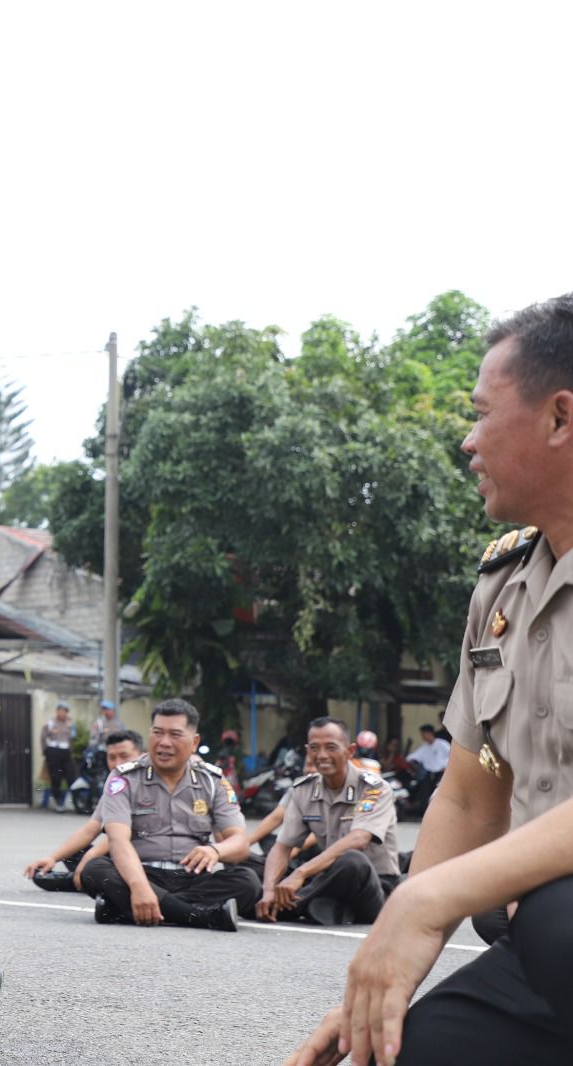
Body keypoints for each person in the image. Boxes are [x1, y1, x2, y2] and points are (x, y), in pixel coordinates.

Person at [287, 296, 573, 1066]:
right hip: (544, 950)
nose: (467, 440)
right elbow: (476, 787)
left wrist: (424, 897)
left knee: (556, 916)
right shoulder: (503, 587)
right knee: (411, 1049)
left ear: (560, 417)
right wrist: (385, 984)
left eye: (482, 414)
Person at [80, 699, 260, 932]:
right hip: (141, 872)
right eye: (157, 733)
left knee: (248, 882)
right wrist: (139, 887)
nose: (164, 742)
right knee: (95, 871)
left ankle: (125, 909)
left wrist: (215, 850)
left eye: (175, 734)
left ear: (194, 742)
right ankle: (202, 916)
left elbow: (240, 842)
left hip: (193, 877)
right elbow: (118, 841)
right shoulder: (123, 778)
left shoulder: (213, 781)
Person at [253, 718, 400, 926]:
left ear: (349, 751)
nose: (321, 755)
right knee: (248, 866)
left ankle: (286, 908)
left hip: (374, 884)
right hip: (328, 879)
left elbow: (359, 839)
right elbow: (283, 847)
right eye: (314, 748)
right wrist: (268, 889)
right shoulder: (303, 790)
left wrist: (300, 873)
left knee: (352, 860)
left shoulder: (375, 789)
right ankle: (307, 905)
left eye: (331, 747)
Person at [24, 730, 143, 891]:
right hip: (118, 853)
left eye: (124, 756)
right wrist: (52, 858)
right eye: (112, 757)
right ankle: (88, 879)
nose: (117, 764)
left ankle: (85, 880)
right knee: (73, 853)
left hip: (144, 855)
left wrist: (90, 857)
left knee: (94, 865)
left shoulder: (146, 782)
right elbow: (89, 830)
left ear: (141, 755)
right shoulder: (115, 785)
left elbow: (122, 837)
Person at [39, 702, 77, 811]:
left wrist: (71, 728)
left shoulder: (70, 723)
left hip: (65, 751)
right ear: (57, 711)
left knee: (71, 776)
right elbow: (43, 737)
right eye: (61, 711)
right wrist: (45, 751)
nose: (63, 713)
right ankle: (59, 802)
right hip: (53, 750)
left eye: (65, 711)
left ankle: (75, 801)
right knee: (55, 777)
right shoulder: (50, 723)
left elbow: (73, 737)